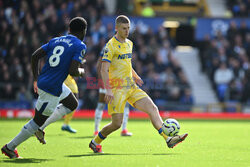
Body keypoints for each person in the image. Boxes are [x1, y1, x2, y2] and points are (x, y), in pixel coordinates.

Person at [89, 15, 188, 153]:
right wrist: (109, 90)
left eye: (128, 28)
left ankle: (168, 139)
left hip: (131, 86)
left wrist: (135, 75)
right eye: (124, 28)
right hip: (117, 89)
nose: (127, 31)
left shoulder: (129, 43)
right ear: (116, 28)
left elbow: (127, 63)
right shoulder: (110, 46)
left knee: (153, 108)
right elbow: (103, 69)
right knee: (116, 124)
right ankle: (95, 142)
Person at [1, 17, 88, 158]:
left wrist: (36, 78)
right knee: (36, 122)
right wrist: (82, 71)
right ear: (84, 31)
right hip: (51, 89)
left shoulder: (56, 40)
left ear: (69, 30)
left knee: (72, 103)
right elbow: (73, 71)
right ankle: (10, 147)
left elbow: (35, 56)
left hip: (47, 82)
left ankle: (40, 128)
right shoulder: (80, 45)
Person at [94, 51, 132, 136]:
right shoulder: (108, 46)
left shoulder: (124, 46)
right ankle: (96, 130)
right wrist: (101, 80)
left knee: (125, 103)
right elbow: (99, 64)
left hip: (120, 80)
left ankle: (124, 129)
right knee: (101, 103)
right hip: (108, 80)